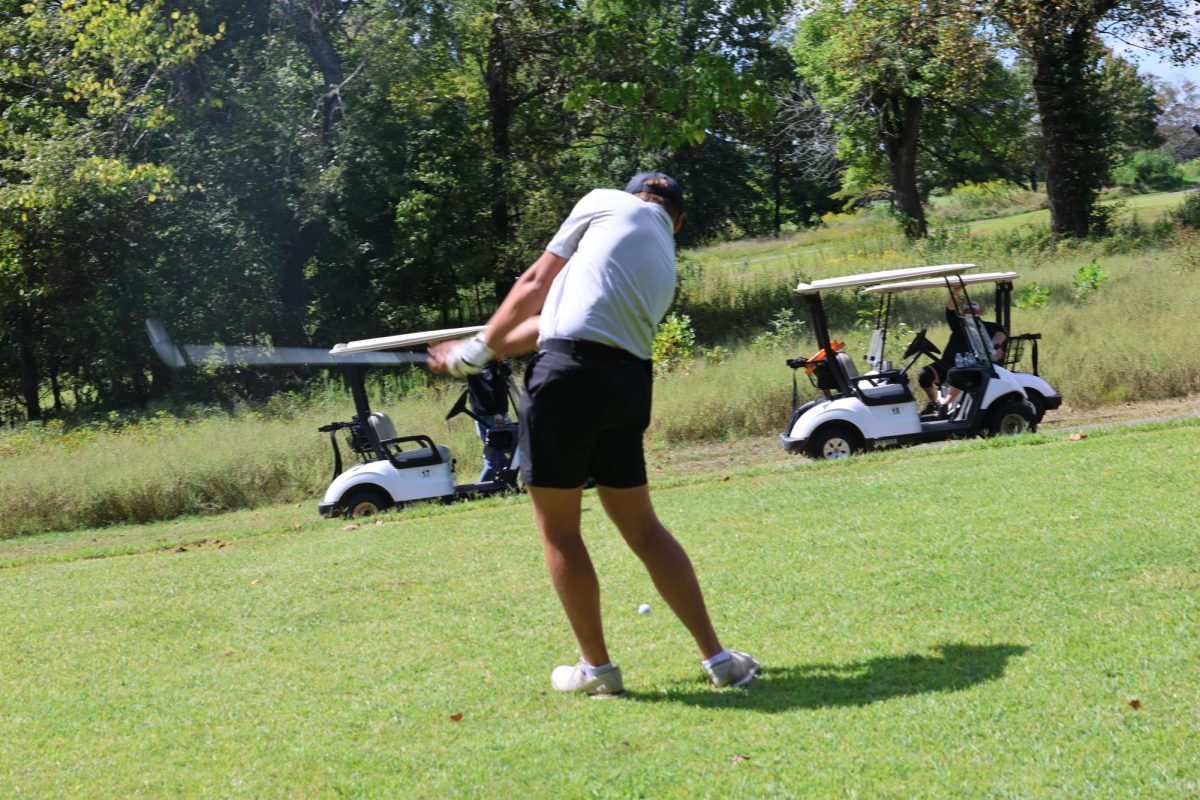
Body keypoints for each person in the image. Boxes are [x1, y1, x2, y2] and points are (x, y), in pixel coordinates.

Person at [428, 173, 758, 697]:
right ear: (677, 219)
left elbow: (537, 281)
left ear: (632, 197)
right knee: (645, 530)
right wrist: (480, 352)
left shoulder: (604, 202)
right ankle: (719, 660)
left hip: (567, 380)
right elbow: (547, 322)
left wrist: (477, 345)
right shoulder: (662, 263)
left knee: (560, 531)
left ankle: (597, 671)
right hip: (627, 385)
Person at [917, 285, 1007, 417]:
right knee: (924, 374)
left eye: (973, 310)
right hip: (948, 363)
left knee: (960, 375)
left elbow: (1002, 332)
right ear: (963, 312)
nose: (969, 312)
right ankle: (935, 404)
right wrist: (956, 291)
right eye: (966, 310)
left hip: (969, 366)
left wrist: (996, 346)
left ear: (979, 312)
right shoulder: (958, 325)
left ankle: (945, 405)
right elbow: (950, 309)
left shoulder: (987, 327)